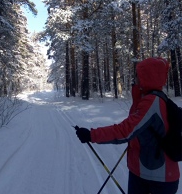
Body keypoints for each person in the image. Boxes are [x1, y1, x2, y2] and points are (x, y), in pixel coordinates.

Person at [76, 57, 180, 194]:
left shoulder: (152, 102)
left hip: (158, 177)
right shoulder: (148, 99)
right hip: (143, 173)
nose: (135, 77)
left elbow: (126, 131)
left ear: (147, 76)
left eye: (138, 74)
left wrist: (91, 135)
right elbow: (141, 130)